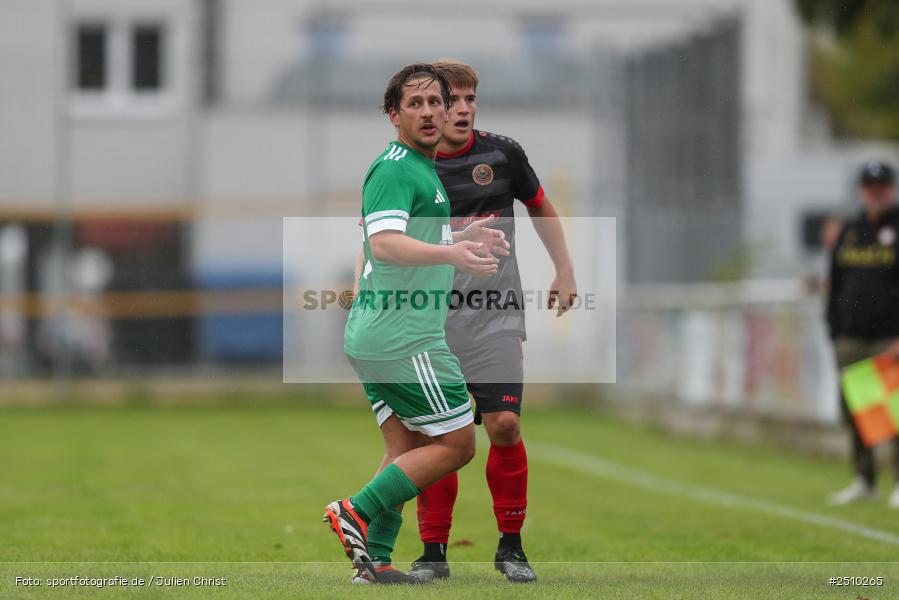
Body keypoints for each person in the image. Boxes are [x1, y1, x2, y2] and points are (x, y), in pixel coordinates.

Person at [324, 63, 510, 585]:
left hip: (378, 334)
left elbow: (409, 232)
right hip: (403, 336)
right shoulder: (396, 167)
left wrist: (464, 233)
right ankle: (354, 512)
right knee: (456, 445)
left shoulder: (418, 169)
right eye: (416, 104)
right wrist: (455, 253)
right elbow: (384, 246)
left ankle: (375, 562)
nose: (430, 112)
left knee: (404, 449)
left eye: (437, 102)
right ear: (394, 115)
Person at [408, 59, 578, 583]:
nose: (461, 109)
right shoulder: (407, 166)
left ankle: (511, 547)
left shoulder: (503, 154)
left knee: (504, 424)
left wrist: (565, 270)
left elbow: (541, 206)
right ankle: (433, 554)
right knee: (442, 437)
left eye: (469, 99)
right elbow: (382, 236)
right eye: (449, 100)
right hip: (432, 321)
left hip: (496, 316)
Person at [826, 160, 899, 508]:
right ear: (861, 190)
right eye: (871, 186)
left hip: (890, 336)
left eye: (882, 185)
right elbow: (835, 284)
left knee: (896, 412)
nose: (876, 192)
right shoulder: (850, 231)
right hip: (851, 336)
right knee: (858, 411)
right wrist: (834, 331)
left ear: (892, 188)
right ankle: (864, 480)